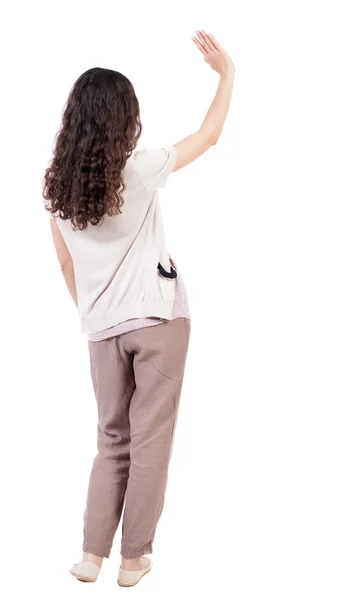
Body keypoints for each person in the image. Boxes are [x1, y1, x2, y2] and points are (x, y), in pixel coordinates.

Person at [43, 30, 235, 588]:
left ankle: (90, 556)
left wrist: (96, 315)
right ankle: (133, 561)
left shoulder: (56, 189)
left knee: (111, 440)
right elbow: (210, 135)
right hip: (159, 321)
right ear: (125, 119)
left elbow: (65, 268)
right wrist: (227, 75)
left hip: (100, 330)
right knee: (150, 439)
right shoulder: (141, 168)